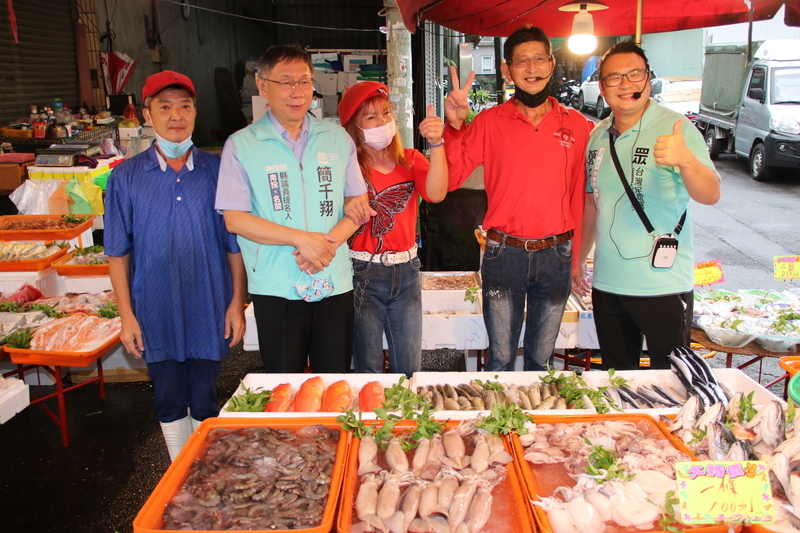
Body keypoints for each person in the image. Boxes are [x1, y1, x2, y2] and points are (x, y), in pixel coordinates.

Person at [105, 71, 247, 462]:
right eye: (164, 106)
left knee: (204, 393)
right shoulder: (125, 178)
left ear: (195, 112)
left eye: (185, 106)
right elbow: (117, 252)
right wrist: (126, 316)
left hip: (209, 304)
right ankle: (177, 469)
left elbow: (233, 245)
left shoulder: (217, 172)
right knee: (167, 394)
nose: (176, 115)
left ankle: (202, 469)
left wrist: (236, 303)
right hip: (154, 308)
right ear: (147, 115)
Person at [215, 44, 373, 374]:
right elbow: (235, 219)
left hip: (333, 279)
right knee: (284, 384)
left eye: (304, 81)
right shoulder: (242, 145)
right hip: (276, 284)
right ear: (262, 85)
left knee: (334, 380)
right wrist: (302, 240)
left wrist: (323, 247)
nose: (296, 92)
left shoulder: (336, 138)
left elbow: (357, 208)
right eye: (285, 82)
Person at [443, 25, 591, 372]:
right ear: (507, 70)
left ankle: (533, 427)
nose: (531, 68)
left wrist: (576, 259)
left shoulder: (578, 125)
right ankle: (499, 427)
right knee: (501, 360)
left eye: (539, 58)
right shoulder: (489, 122)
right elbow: (450, 179)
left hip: (557, 253)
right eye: (521, 61)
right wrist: (455, 127)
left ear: (552, 63)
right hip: (503, 252)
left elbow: (579, 198)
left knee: (542, 360)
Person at [573, 40, 721, 370]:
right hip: (608, 284)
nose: (625, 84)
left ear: (648, 78)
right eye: (614, 77)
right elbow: (592, 204)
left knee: (671, 382)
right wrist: (580, 258)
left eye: (634, 74)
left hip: (663, 286)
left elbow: (710, 193)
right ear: (602, 86)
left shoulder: (675, 127)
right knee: (617, 380)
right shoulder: (597, 136)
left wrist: (686, 161)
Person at [337, 81, 448, 376]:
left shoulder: (410, 159)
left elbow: (436, 192)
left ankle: (407, 422)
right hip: (362, 274)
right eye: (371, 117)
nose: (382, 122)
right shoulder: (346, 168)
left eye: (386, 113)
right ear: (353, 127)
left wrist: (437, 144)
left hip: (407, 271)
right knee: (368, 367)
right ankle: (372, 423)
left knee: (409, 367)